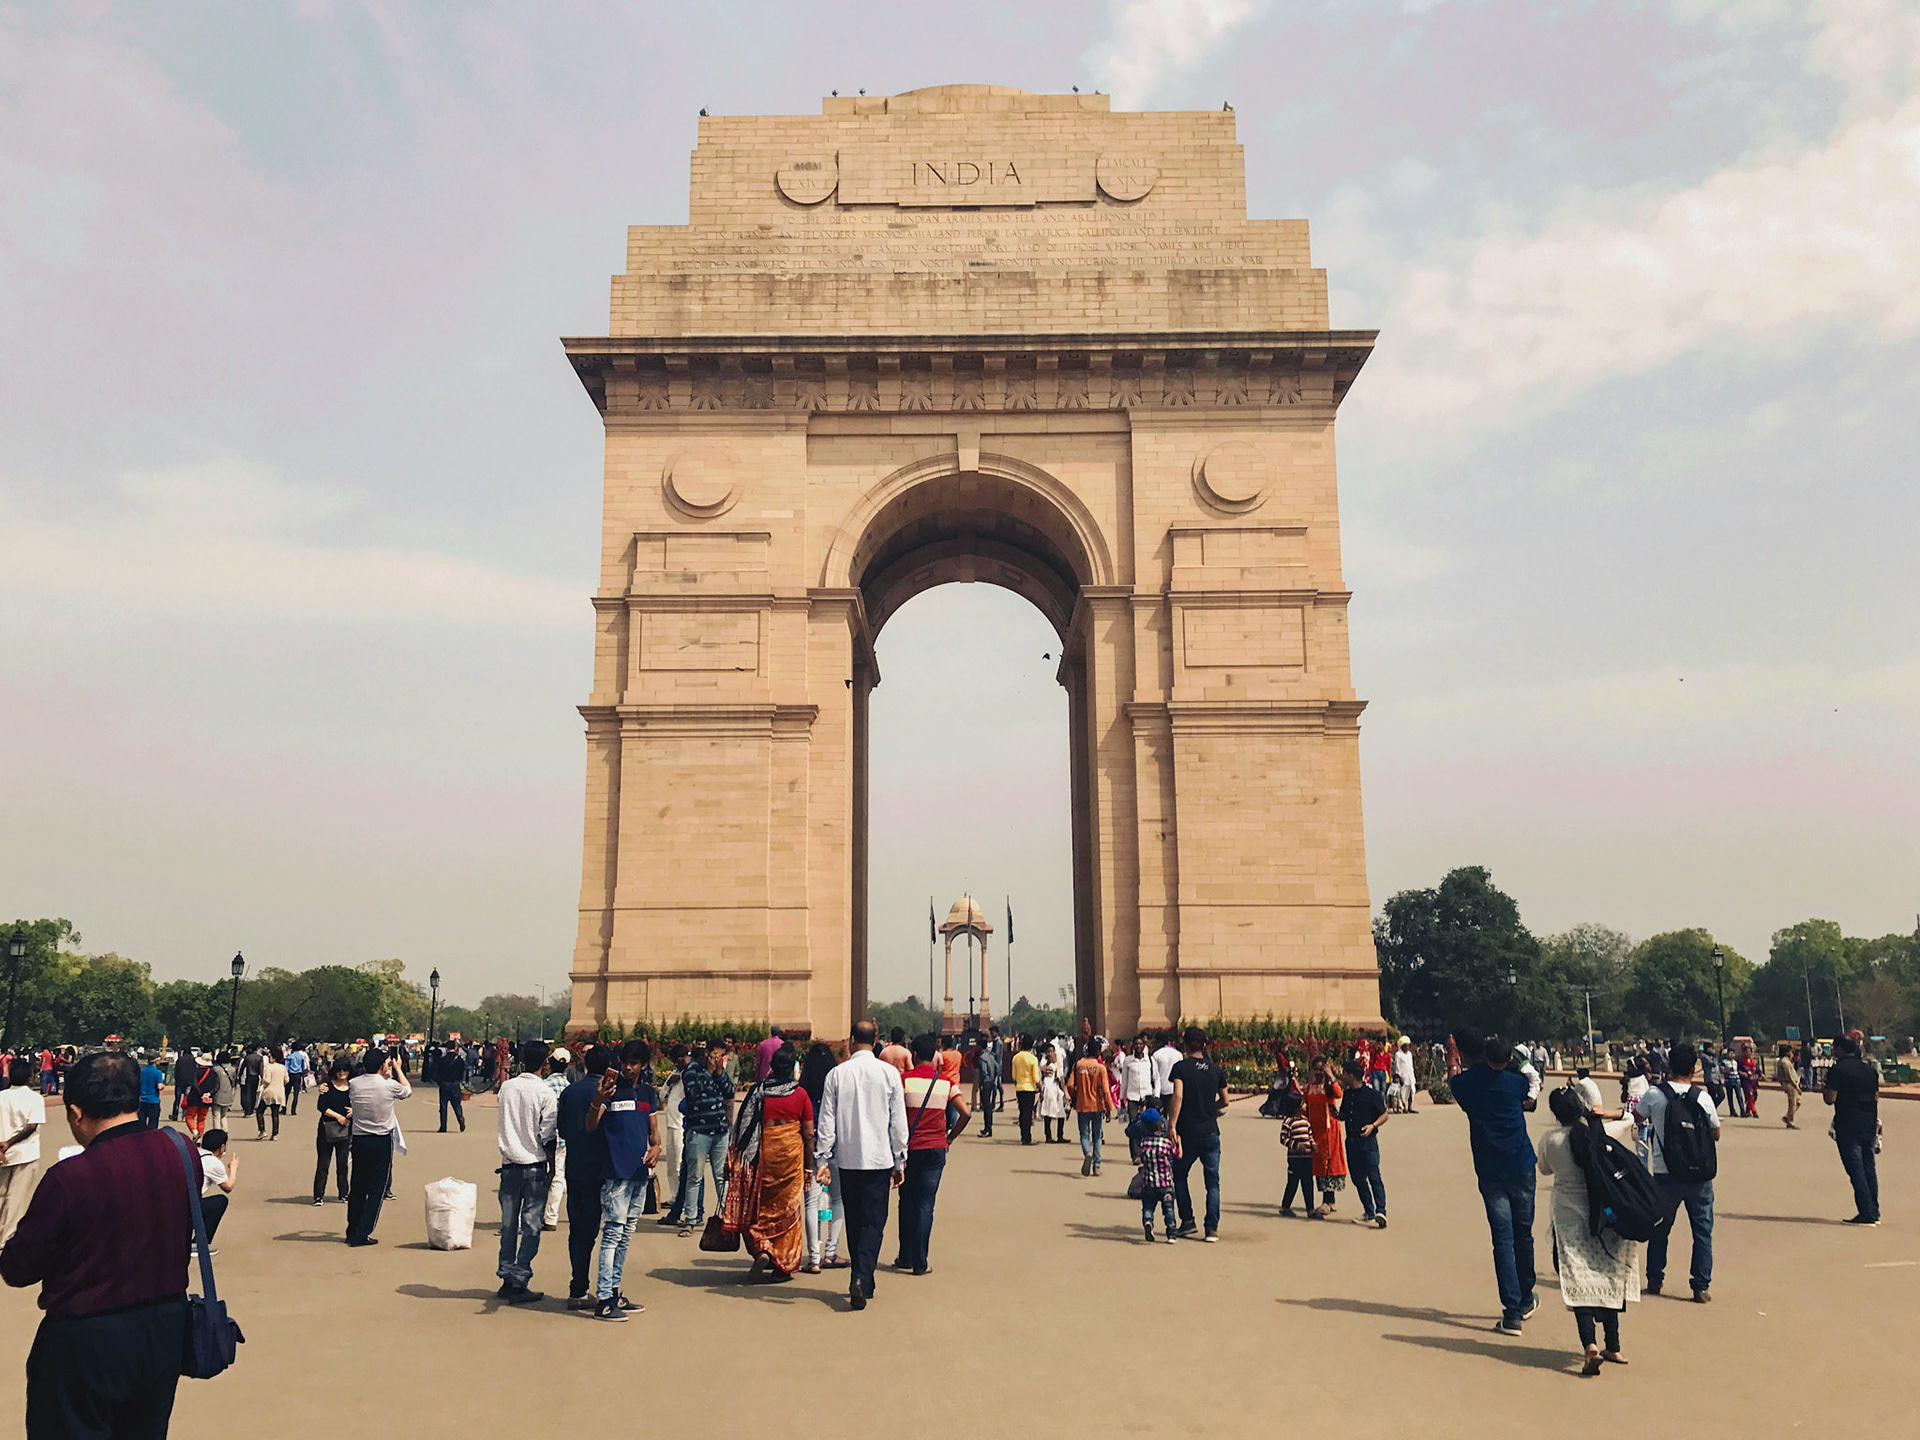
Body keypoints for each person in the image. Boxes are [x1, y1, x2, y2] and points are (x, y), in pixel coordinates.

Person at [1, 1052, 199, 1440]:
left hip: (87, 1336)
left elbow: (18, 1268)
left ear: (76, 1113)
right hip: (163, 1325)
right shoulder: (182, 1150)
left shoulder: (70, 1177)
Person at [1538, 1087, 1638, 1375]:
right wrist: (1601, 1115)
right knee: (1608, 1276)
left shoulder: (1551, 1140)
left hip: (1568, 1220)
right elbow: (1629, 1118)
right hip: (1604, 1217)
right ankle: (1614, 1344)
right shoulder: (1598, 1135)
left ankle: (1590, 1346)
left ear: (1556, 1114)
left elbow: (1543, 1169)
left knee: (1578, 1281)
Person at [815, 1019, 907, 1311]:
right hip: (879, 1160)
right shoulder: (889, 1074)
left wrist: (822, 1159)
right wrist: (899, 1158)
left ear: (852, 1040)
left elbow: (826, 1122)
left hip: (849, 1159)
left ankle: (860, 1274)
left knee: (854, 1221)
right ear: (876, 1038)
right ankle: (861, 1276)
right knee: (874, 1223)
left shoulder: (837, 1074)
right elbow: (898, 1122)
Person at [1450, 1030, 1538, 1335]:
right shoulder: (1515, 1083)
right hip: (1521, 1162)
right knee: (1523, 1233)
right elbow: (1528, 1084)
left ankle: (1512, 1312)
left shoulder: (1463, 1085)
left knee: (1502, 1239)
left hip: (1490, 1170)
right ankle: (1526, 1296)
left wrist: (1453, 1062)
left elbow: (1457, 1081)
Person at [584, 1039, 660, 1320]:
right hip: (615, 1173)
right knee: (613, 1234)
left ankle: (614, 1291)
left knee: (625, 1235)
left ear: (643, 1065)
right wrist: (598, 1100)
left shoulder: (648, 1094)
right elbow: (590, 1125)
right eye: (625, 1062)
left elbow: (654, 1133)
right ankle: (604, 1298)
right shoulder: (610, 1092)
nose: (628, 1068)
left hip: (639, 1173)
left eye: (634, 1063)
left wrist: (656, 1149)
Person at [1639, 1041, 1718, 1301]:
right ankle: (1700, 1285)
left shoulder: (1655, 1094)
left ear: (1668, 1065)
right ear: (1694, 1069)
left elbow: (1638, 1117)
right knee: (1702, 1231)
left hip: (1665, 1171)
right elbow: (1716, 1132)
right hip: (1699, 1174)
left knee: (1660, 1226)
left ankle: (1654, 1278)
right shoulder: (1702, 1097)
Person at [725, 1042, 813, 1279]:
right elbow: (809, 1133)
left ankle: (762, 1248)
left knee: (759, 1208)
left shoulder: (759, 1091)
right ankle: (781, 1264)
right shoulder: (800, 1094)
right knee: (788, 1208)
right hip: (790, 1157)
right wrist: (810, 1167)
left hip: (763, 1156)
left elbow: (743, 1126)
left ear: (772, 1067)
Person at [896, 1033, 969, 1275]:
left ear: (914, 1055)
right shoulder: (945, 1083)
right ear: (935, 1057)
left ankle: (905, 1255)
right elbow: (966, 1113)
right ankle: (920, 1262)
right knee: (925, 1205)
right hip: (936, 1149)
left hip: (909, 1150)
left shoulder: (903, 1080)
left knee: (906, 1202)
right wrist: (950, 1137)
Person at [493, 1040, 557, 1306]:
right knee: (531, 1226)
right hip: (533, 1164)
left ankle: (507, 1276)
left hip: (509, 1165)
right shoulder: (545, 1092)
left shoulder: (506, 1088)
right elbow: (548, 1134)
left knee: (509, 1224)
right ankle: (520, 1278)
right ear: (545, 1064)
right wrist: (552, 1167)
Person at [557, 1044, 615, 1310]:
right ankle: (585, 1286)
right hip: (600, 1168)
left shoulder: (570, 1092)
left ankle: (577, 1283)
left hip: (575, 1165)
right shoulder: (610, 1095)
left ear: (584, 1064)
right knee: (594, 1231)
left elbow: (564, 1131)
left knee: (576, 1228)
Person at [345, 1046, 411, 1247]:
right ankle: (363, 1232)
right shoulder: (388, 1085)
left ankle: (352, 1228)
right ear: (383, 1065)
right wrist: (398, 1068)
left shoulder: (354, 1084)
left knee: (357, 1185)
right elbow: (407, 1090)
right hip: (380, 1139)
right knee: (377, 1188)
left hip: (359, 1138)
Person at [1167, 1026, 1226, 1242]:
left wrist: (1172, 1125)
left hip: (1187, 1132)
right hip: (1211, 1131)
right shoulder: (1215, 1069)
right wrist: (1211, 1109)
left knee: (1180, 1175)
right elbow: (1226, 1101)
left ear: (1185, 1043)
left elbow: (1178, 1096)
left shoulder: (1181, 1067)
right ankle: (1211, 1229)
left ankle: (1188, 1220)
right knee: (1212, 1182)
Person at [677, 1041, 733, 1237]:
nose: (718, 1059)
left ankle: (727, 1218)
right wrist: (709, 1071)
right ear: (707, 1053)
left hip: (719, 1131)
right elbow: (693, 1094)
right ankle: (690, 1219)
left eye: (721, 1056)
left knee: (722, 1176)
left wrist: (719, 1073)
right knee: (695, 1176)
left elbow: (730, 1092)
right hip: (699, 1130)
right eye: (715, 1055)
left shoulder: (720, 1072)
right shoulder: (693, 1069)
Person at [1823, 1033, 1880, 1225]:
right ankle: (1874, 1209)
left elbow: (1830, 1098)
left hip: (1848, 1123)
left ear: (1839, 1049)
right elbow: (1876, 1097)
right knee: (1868, 1167)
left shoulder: (1838, 1070)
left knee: (1856, 1170)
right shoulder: (1869, 1070)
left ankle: (1866, 1213)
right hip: (1868, 1122)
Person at [798, 1041, 845, 1273]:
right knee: (836, 1200)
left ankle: (814, 1258)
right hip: (836, 1150)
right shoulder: (837, 1087)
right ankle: (830, 1252)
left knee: (811, 1204)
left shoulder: (802, 1091)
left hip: (811, 1152)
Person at [1339, 1056, 1390, 1228]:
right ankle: (1369, 1210)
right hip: (1351, 1142)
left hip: (1368, 1142)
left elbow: (1385, 1114)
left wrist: (1372, 1125)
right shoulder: (1347, 1095)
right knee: (1357, 1178)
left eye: (1344, 1073)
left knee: (1374, 1175)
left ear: (1352, 1075)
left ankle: (1380, 1211)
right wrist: (1333, 1113)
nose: (1342, 1075)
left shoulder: (1371, 1095)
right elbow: (1344, 1115)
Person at [0, 1070, 47, 1245]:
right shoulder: (34, 1098)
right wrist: (10, 1142)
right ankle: (7, 1239)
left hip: (3, 1153)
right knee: (17, 1198)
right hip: (25, 1152)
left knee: (2, 1195)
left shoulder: (2, 1097)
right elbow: (31, 1126)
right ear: (30, 1077)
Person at [1304, 1057, 1347, 1214]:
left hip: (1329, 1131)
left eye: (1321, 1069)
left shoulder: (1329, 1087)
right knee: (1318, 1164)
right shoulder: (1309, 1087)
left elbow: (1339, 1093)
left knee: (1328, 1163)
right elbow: (1304, 1104)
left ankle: (1328, 1200)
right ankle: (1329, 1200)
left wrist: (1331, 1076)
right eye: (1316, 1069)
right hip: (1314, 1130)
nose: (1318, 1072)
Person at [1132, 1108, 1179, 1242]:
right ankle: (1171, 1233)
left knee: (1148, 1207)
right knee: (1168, 1209)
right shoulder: (1166, 1143)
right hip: (1165, 1183)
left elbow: (1141, 1156)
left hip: (1149, 1183)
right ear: (1161, 1124)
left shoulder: (1144, 1144)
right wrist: (1178, 1143)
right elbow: (1177, 1154)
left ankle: (1148, 1221)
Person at [1071, 1038, 1113, 1175]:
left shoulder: (1078, 1065)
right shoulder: (1101, 1068)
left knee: (1084, 1134)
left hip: (1082, 1105)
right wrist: (1109, 1108)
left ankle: (1087, 1152)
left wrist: (1075, 1096)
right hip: (1097, 1105)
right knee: (1097, 1136)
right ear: (1098, 1052)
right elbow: (1105, 1090)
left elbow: (1070, 1085)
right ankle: (1097, 1166)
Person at [313, 1060, 353, 1206]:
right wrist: (338, 1116)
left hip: (345, 1131)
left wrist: (353, 1111)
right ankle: (318, 1196)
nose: (342, 1073)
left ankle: (344, 1193)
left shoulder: (353, 1088)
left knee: (343, 1164)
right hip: (326, 1129)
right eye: (339, 1070)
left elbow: (360, 1103)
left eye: (345, 1070)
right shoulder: (327, 1087)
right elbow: (321, 1106)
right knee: (323, 1163)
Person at [1276, 1090, 1320, 1217]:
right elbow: (1283, 1139)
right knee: (1293, 1183)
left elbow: (1309, 1135)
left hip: (1307, 1157)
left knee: (1308, 1183)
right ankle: (1285, 1207)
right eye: (1303, 1104)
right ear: (1296, 1107)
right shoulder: (1288, 1122)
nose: (1305, 1106)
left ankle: (1310, 1209)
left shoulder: (1305, 1121)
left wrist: (1313, 1144)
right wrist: (1296, 1146)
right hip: (1295, 1158)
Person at [196, 1129, 237, 1246]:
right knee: (220, 1201)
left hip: (169, 1202)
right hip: (186, 1208)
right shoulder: (213, 1162)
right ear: (222, 1146)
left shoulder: (194, 1152)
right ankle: (200, 1243)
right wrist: (233, 1168)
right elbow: (228, 1187)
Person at [1011, 1034, 1040, 1145]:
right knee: (1028, 1113)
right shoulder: (1033, 1059)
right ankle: (1027, 1138)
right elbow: (1035, 1078)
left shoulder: (1016, 1057)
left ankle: (1023, 1136)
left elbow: (1014, 1076)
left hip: (1019, 1087)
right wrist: (1041, 1088)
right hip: (1029, 1088)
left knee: (1022, 1112)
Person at [255, 1047, 288, 1141]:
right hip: (279, 1092)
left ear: (273, 1057)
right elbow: (287, 1080)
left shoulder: (269, 1067)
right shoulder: (283, 1067)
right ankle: (275, 1134)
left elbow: (267, 1080)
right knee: (275, 1114)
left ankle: (262, 1131)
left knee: (259, 1111)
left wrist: (263, 1085)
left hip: (269, 1092)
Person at [1037, 1045, 1068, 1144]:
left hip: (1056, 1091)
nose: (1050, 1054)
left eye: (1052, 1052)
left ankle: (1060, 1135)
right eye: (1048, 1052)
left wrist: (1065, 1091)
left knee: (1060, 1113)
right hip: (1048, 1091)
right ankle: (1048, 1136)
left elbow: (1061, 1077)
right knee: (1048, 1113)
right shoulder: (1045, 1064)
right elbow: (1043, 1074)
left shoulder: (1058, 1065)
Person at [436, 1042, 468, 1133]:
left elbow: (438, 1072)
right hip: (455, 1084)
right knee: (457, 1104)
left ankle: (443, 1126)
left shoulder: (442, 1059)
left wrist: (439, 1081)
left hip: (444, 1084)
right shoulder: (460, 1060)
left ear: (446, 1048)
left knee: (443, 1106)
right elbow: (462, 1072)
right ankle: (460, 1118)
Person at [1150, 1030, 1182, 1124]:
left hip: (1161, 1090)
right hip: (1175, 1089)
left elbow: (1155, 1075)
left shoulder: (1156, 1055)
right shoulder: (1178, 1054)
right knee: (1174, 1117)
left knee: (1161, 1119)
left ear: (1158, 1042)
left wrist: (1155, 1094)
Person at [973, 1040, 999, 1138]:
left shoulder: (982, 1058)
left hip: (985, 1082)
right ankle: (988, 1127)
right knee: (988, 1106)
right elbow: (997, 1068)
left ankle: (987, 1128)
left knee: (986, 1105)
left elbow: (983, 1071)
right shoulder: (991, 1056)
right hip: (991, 1082)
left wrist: (983, 1082)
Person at [1774, 1044, 1803, 1130]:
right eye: (1791, 1052)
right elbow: (1789, 1076)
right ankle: (1790, 1121)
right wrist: (1796, 1087)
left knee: (1797, 1102)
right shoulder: (1784, 1062)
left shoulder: (1785, 1061)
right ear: (1787, 1052)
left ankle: (1787, 1117)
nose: (1792, 1053)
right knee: (1792, 1103)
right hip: (1790, 1084)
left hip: (1789, 1083)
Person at [1392, 1036, 1418, 1114]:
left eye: (1407, 1045)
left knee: (1411, 1091)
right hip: (1403, 1076)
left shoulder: (1409, 1054)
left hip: (1410, 1075)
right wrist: (1398, 1076)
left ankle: (1410, 1107)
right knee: (1403, 1092)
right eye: (1405, 1045)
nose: (1407, 1047)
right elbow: (1397, 1066)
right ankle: (1404, 1107)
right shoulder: (1398, 1054)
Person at [284, 1043, 308, 1115]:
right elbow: (303, 1066)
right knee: (296, 1093)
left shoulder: (289, 1057)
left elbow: (286, 1067)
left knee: (286, 1093)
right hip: (298, 1075)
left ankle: (284, 1108)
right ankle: (293, 1110)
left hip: (290, 1074)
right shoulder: (301, 1057)